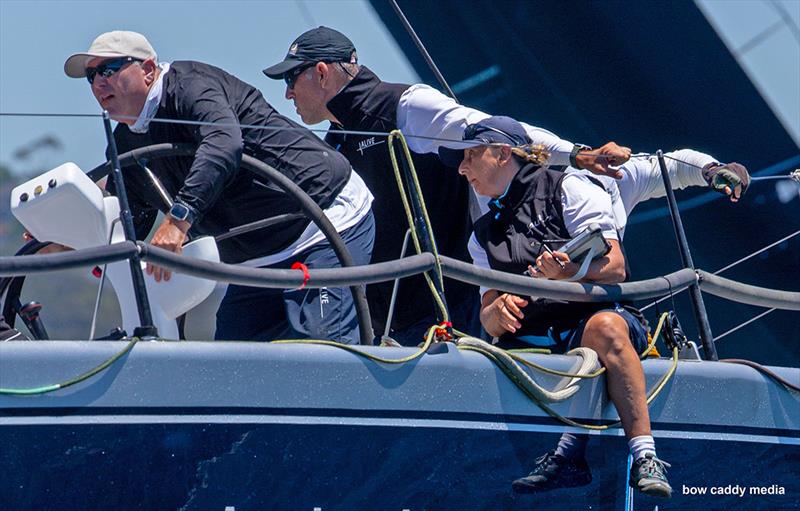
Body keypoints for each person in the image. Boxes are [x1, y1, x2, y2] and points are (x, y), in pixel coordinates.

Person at [263, 27, 634, 345]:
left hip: (449, 310)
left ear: (323, 73)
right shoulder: (338, 142)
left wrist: (574, 155)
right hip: (390, 322)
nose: (287, 94)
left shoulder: (404, 106)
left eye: (290, 79)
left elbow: (496, 132)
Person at [63, 31, 375, 344]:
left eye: (108, 70)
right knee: (233, 368)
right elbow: (133, 217)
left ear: (147, 70)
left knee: (322, 350)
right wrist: (73, 238)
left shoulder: (191, 86)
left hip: (324, 223)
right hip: (255, 258)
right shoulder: (124, 143)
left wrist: (177, 220)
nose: (97, 83)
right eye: (91, 76)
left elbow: (223, 144)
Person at [438, 116, 674, 498]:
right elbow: (488, 313)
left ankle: (644, 455)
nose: (462, 168)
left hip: (590, 324)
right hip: (533, 343)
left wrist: (564, 275)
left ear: (501, 154)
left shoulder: (570, 189)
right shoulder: (481, 236)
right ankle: (564, 457)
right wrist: (494, 316)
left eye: (469, 156)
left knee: (605, 330)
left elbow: (615, 267)